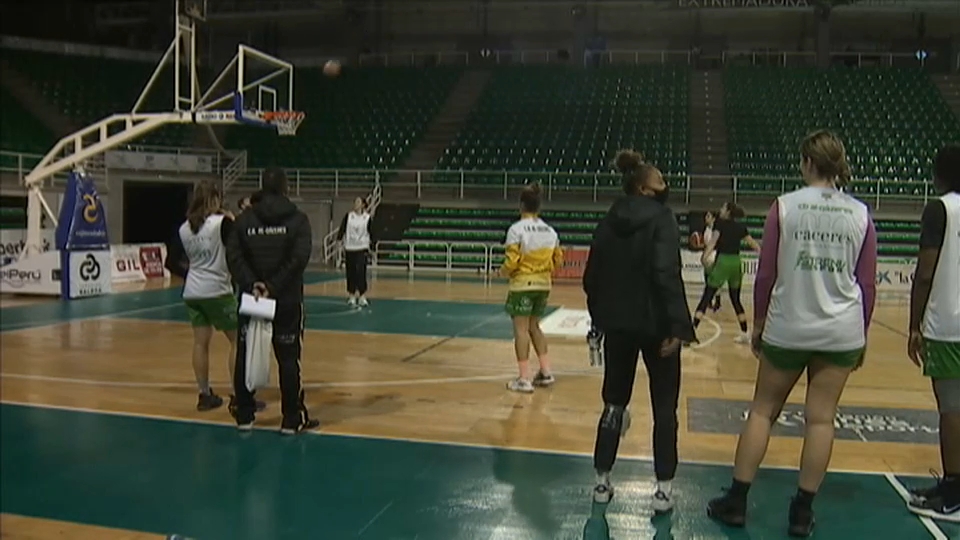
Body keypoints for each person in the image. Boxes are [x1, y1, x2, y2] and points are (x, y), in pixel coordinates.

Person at [707, 130, 877, 537]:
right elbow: (866, 284)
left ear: (806, 162)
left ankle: (737, 500)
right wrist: (863, 333)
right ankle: (801, 512)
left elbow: (766, 274)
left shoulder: (783, 208)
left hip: (789, 326)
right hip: (841, 331)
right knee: (821, 420)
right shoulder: (860, 213)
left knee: (763, 410)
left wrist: (760, 323)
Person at [583, 149, 695, 513]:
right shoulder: (662, 218)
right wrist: (678, 325)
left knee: (613, 403)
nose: (666, 184)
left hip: (619, 326)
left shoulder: (609, 219)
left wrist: (599, 318)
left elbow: (592, 277)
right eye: (660, 180)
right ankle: (662, 490)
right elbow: (665, 273)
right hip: (657, 326)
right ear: (644, 188)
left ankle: (601, 481)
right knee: (665, 408)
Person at [226, 167, 319, 434]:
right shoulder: (298, 220)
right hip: (286, 300)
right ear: (286, 187)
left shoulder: (244, 221)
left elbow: (233, 256)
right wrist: (273, 286)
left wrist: (252, 284)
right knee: (288, 359)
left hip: (252, 298)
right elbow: (299, 259)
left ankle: (244, 415)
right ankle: (291, 418)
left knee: (246, 353)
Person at [906, 144, 960, 523]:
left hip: (950, 324)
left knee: (952, 408)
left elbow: (925, 272)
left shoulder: (941, 209)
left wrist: (914, 324)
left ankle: (954, 491)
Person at [164, 180, 238, 412]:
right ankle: (238, 395)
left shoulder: (184, 228)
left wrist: (191, 274)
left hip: (193, 291)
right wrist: (233, 220)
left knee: (200, 343)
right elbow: (238, 248)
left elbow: (171, 262)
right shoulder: (221, 223)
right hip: (217, 290)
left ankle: (204, 394)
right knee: (238, 340)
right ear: (213, 199)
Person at [501, 183, 563, 393]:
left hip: (522, 284)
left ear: (521, 205)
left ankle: (524, 378)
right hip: (543, 284)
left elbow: (512, 261)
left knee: (520, 330)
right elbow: (558, 260)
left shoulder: (516, 229)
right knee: (534, 327)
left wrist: (502, 272)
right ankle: (546, 372)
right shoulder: (550, 230)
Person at [692, 202, 760, 344]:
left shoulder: (720, 224)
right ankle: (745, 333)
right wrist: (765, 256)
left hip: (723, 261)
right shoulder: (741, 227)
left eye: (723, 208)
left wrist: (704, 257)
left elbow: (713, 243)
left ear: (728, 212)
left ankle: (692, 331)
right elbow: (754, 245)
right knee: (736, 299)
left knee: (706, 297)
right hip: (736, 263)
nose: (720, 210)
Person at [337, 197, 374, 307]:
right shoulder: (349, 216)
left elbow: (372, 231)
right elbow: (342, 228)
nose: (355, 204)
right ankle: (352, 295)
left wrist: (372, 245)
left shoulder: (367, 218)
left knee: (361, 271)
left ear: (363, 205)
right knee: (351, 271)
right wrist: (339, 240)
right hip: (350, 247)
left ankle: (362, 295)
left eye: (358, 202)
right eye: (355, 201)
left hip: (362, 247)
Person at [702, 210, 722, 312]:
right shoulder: (706, 230)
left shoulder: (716, 229)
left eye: (708, 216)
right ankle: (711, 301)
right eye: (706, 216)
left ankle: (716, 301)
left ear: (713, 218)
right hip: (708, 257)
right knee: (708, 280)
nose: (706, 217)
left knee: (714, 281)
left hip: (713, 256)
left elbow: (714, 244)